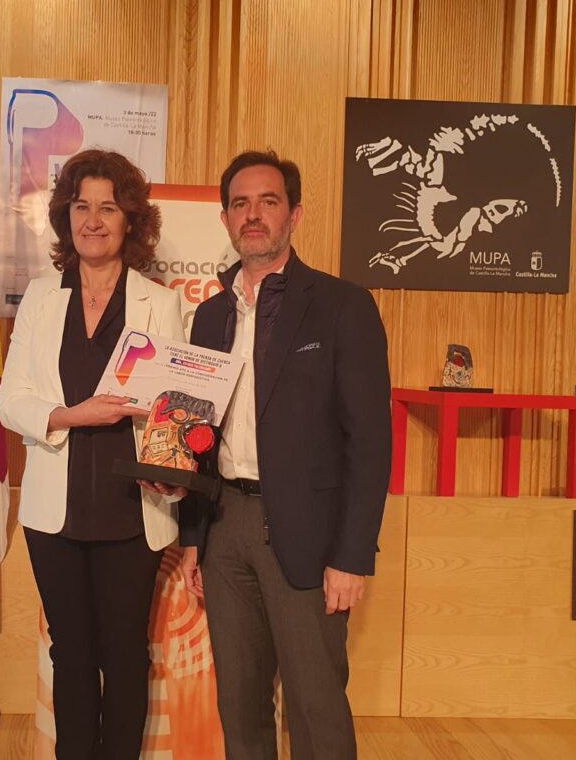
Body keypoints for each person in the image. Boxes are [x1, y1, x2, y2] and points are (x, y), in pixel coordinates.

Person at [179, 150, 392, 759]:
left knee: (316, 707)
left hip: (309, 535)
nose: (254, 215)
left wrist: (351, 556)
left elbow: (371, 442)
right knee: (240, 706)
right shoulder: (209, 316)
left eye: (268, 202)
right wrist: (193, 536)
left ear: (293, 215)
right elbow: (197, 434)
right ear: (225, 218)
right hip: (225, 530)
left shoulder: (343, 305)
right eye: (240, 204)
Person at [0, 149, 185, 759]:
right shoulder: (40, 298)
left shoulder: (161, 303)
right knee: (71, 655)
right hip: (55, 516)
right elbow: (9, 400)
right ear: (65, 216)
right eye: (82, 206)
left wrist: (175, 472)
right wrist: (74, 415)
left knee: (125, 656)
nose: (94, 220)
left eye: (108, 207)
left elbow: (177, 411)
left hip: (133, 514)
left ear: (131, 220)